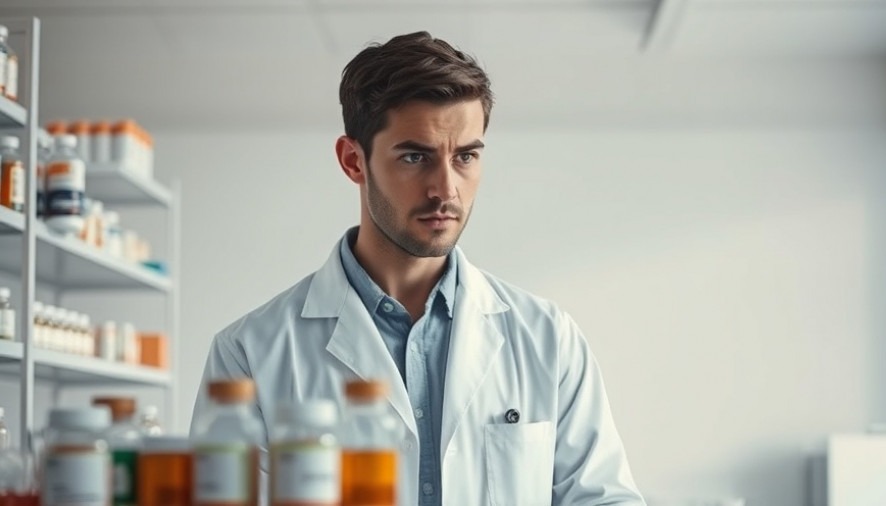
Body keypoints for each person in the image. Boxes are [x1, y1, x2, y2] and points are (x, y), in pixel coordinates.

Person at [191, 31, 645, 506]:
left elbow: (603, 498)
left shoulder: (549, 338)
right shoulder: (248, 353)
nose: (445, 189)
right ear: (353, 161)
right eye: (415, 157)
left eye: (465, 156)